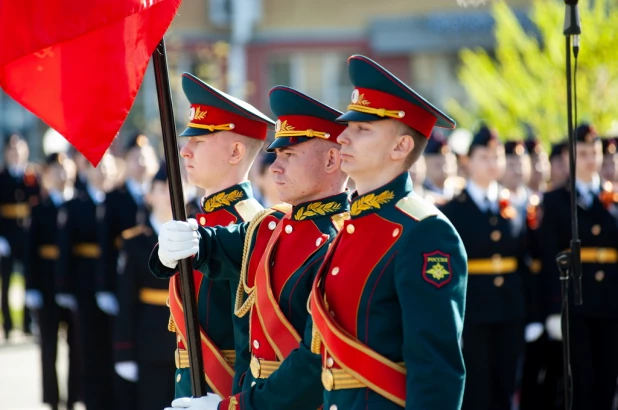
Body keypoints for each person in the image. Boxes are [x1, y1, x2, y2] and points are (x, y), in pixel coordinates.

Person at [151, 85, 350, 410]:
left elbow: (312, 365)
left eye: (289, 155)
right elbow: (212, 246)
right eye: (276, 154)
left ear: (331, 159)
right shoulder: (267, 228)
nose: (274, 168)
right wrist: (179, 241)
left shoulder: (339, 241)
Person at [308, 55, 467, 410]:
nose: (343, 137)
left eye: (362, 129)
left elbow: (435, 373)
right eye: (348, 126)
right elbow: (317, 356)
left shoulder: (426, 233)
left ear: (401, 147)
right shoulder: (352, 224)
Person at [160, 73, 272, 399]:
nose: (185, 151)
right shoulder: (198, 220)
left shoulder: (253, 227)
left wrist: (231, 400)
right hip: (188, 384)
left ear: (236, 151)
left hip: (226, 390)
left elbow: (256, 334)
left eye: (199, 141)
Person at [441, 126, 532, 410]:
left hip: (510, 309)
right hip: (473, 311)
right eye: (484, 156)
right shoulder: (453, 209)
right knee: (477, 389)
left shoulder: (514, 206)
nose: (493, 162)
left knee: (506, 386)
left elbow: (524, 262)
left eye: (497, 156)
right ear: (468, 161)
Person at [540, 123, 618, 410]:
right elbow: (550, 258)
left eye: (593, 151)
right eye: (582, 152)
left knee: (608, 381)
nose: (589, 158)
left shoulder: (613, 199)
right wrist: (552, 309)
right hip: (576, 301)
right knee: (582, 381)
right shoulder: (557, 200)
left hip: (610, 302)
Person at [55, 153, 117, 410]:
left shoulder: (119, 201)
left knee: (114, 347)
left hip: (115, 283)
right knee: (89, 348)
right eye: (97, 166)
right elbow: (65, 248)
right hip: (85, 283)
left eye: (107, 166)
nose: (102, 171)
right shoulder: (75, 204)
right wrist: (64, 286)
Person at [113, 163, 177, 410]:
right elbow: (126, 300)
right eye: (161, 189)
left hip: (188, 340)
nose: (168, 195)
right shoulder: (135, 241)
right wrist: (123, 351)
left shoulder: (196, 236)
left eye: (174, 188)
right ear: (149, 195)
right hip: (150, 338)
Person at [24, 153, 81, 410]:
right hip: (46, 285)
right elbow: (29, 251)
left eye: (66, 166)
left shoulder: (79, 204)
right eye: (56, 168)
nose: (63, 172)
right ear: (46, 174)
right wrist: (31, 287)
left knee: (76, 346)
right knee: (49, 347)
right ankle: (52, 399)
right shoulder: (39, 208)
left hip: (74, 284)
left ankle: (73, 398)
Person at [0, 133, 40, 339]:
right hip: (6, 235)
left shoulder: (32, 176)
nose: (16, 153)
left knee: (28, 278)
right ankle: (7, 325)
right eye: (12, 149)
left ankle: (27, 322)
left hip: (27, 234)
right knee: (5, 282)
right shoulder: (2, 176)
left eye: (19, 149)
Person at [422, 129, 462, 205]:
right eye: (438, 165)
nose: (444, 169)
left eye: (449, 164)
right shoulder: (418, 191)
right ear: (425, 163)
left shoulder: (460, 193)